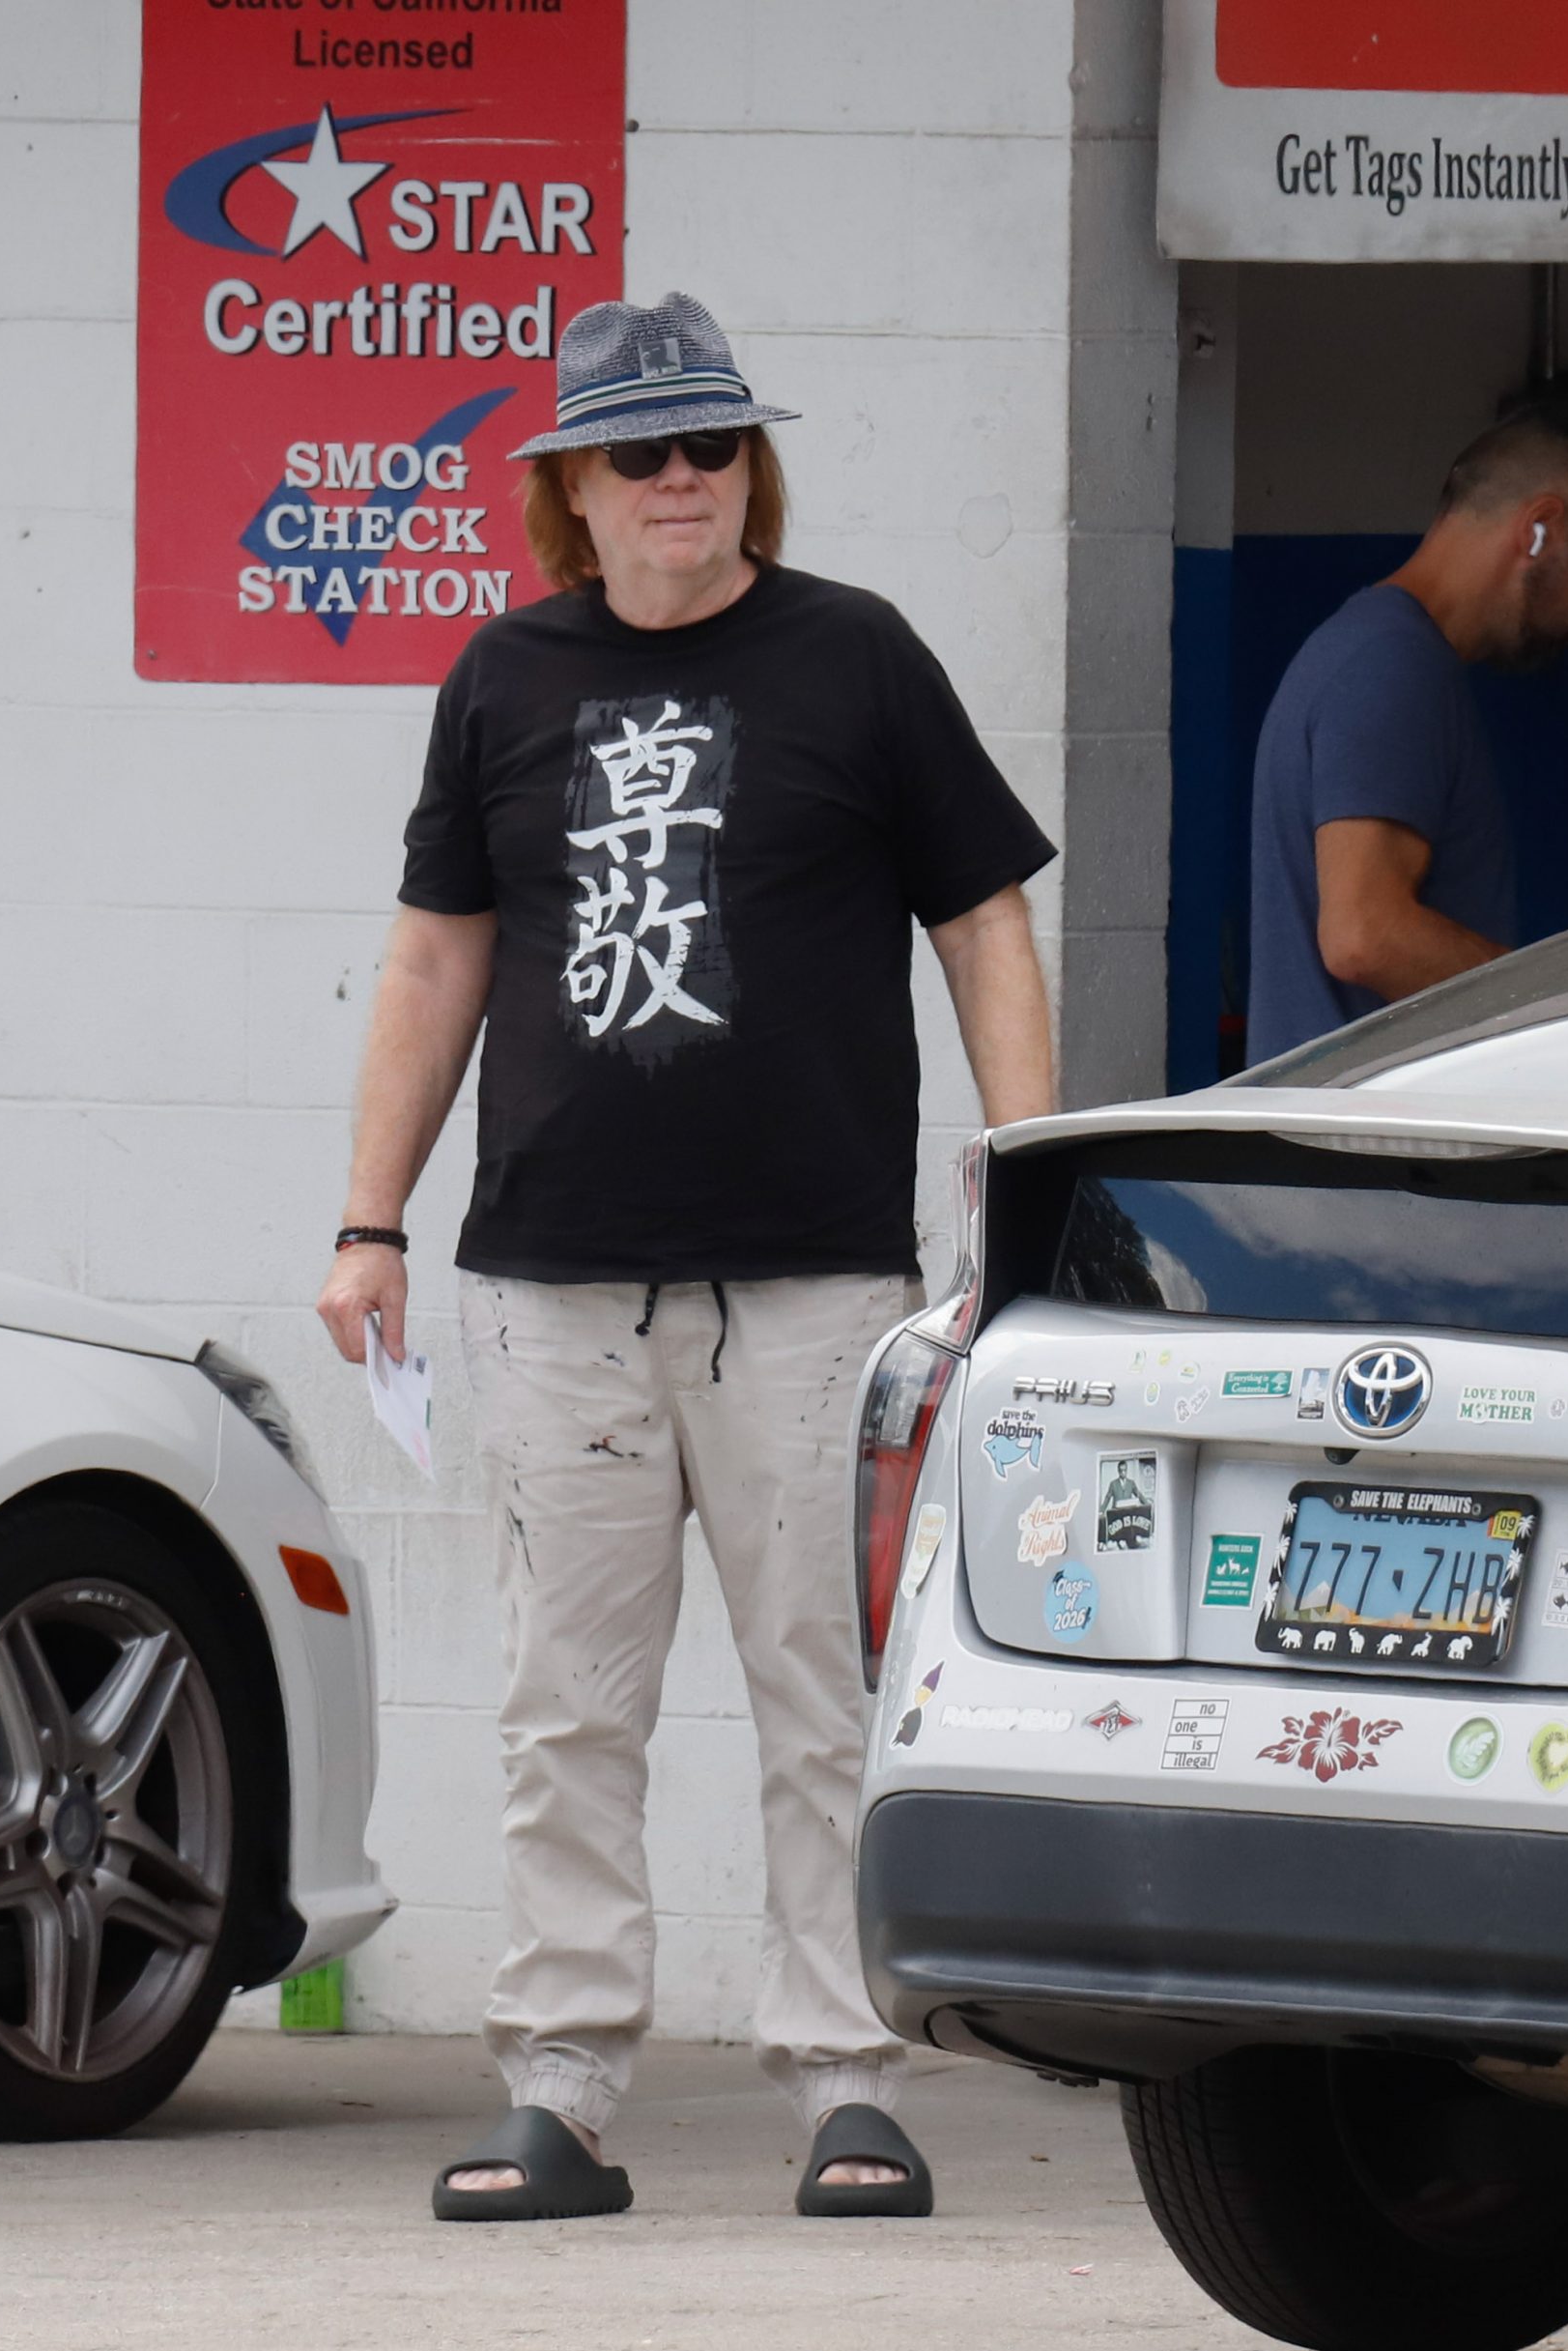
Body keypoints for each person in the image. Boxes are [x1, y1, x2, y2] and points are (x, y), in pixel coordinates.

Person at [317, 291, 1057, 2223]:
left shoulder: (857, 657)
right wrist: (367, 1218)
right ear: (568, 479)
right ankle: (556, 2089)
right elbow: (433, 955)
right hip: (555, 1284)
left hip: (810, 1288)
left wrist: (1023, 1180)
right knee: (566, 1703)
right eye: (639, 450)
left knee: (823, 1690)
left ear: (750, 467)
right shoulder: (500, 676)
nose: (679, 481)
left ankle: (842, 2080)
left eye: (709, 445)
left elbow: (981, 917)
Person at [1244, 399, 1568, 1064]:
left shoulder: (1377, 653)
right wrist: (1564, 1008)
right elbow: (1365, 934)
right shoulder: (1388, 667)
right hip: (1362, 1158)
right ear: (1540, 529)